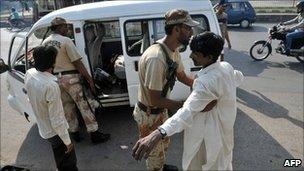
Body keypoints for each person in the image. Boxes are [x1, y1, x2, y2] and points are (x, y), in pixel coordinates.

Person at [132, 32, 244, 170]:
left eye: (196, 54)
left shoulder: (206, 83)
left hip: (207, 137)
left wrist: (158, 133)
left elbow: (187, 111)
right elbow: (239, 77)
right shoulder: (226, 67)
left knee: (205, 165)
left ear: (209, 57)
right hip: (223, 133)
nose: (191, 56)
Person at [132, 9, 216, 171]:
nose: (191, 32)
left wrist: (203, 89)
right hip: (150, 113)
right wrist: (190, 106)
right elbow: (155, 99)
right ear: (176, 29)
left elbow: (182, 77)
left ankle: (161, 165)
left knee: (164, 142)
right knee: (154, 153)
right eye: (188, 28)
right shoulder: (157, 58)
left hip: (160, 110)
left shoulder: (172, 50)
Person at [43, 17, 110, 144]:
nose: (67, 29)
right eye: (65, 27)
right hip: (70, 79)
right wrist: (89, 79)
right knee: (84, 105)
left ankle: (75, 134)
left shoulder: (45, 42)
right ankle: (94, 134)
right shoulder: (66, 41)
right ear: (59, 27)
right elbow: (77, 62)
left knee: (67, 107)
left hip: (55, 80)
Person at [25, 45, 78, 171]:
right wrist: (67, 141)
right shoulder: (51, 86)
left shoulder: (30, 73)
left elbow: (29, 96)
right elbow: (57, 118)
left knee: (60, 160)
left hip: (44, 129)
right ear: (53, 62)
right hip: (56, 133)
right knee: (68, 165)